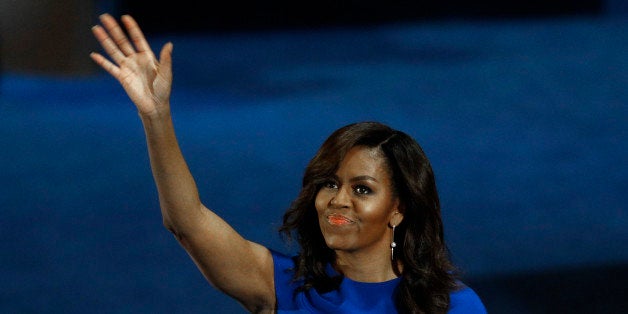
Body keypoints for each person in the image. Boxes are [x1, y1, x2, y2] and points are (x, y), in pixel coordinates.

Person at [90, 13, 487, 314]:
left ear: (398, 209)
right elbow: (187, 222)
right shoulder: (281, 285)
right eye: (329, 183)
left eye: (361, 189)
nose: (338, 200)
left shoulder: (453, 306)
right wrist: (156, 117)